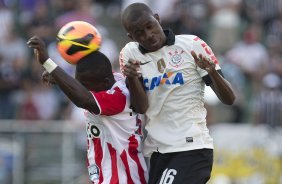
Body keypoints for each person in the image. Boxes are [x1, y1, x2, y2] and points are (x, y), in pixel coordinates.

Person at [119, 3, 236, 184]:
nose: (148, 35)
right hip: (158, 151)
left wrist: (212, 72)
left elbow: (229, 99)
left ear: (157, 18)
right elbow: (141, 107)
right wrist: (133, 78)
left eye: (150, 26)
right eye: (139, 33)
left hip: (191, 147)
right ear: (130, 37)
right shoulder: (130, 54)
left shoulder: (192, 44)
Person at [27, 36, 148, 184]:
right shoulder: (111, 80)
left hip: (123, 178)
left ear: (105, 83)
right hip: (106, 175)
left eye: (86, 87)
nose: (84, 90)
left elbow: (83, 99)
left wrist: (47, 62)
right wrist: (60, 79)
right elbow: (86, 83)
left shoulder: (118, 99)